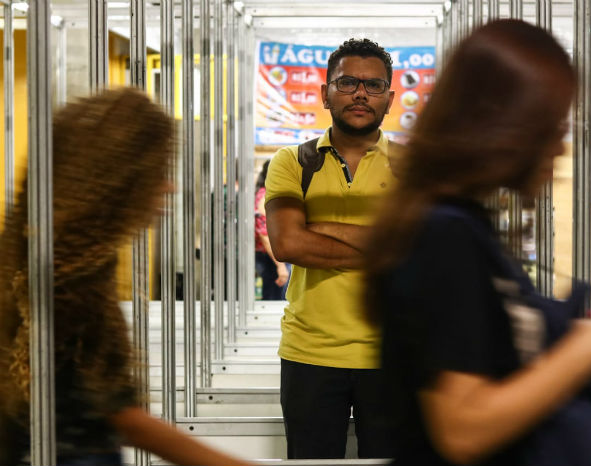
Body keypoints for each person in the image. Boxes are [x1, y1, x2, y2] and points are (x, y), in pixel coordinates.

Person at [364, 20, 591, 466]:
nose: (560, 148)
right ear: (506, 125)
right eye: (552, 126)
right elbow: (464, 428)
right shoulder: (444, 234)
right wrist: (584, 350)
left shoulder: (461, 224)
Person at [0, 88, 252, 466]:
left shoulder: (38, 254)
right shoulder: (70, 277)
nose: (168, 186)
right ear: (119, 180)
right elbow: (123, 415)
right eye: (156, 172)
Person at [265, 38, 397, 459]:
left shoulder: (414, 167)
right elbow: (287, 243)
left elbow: (420, 250)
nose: (361, 93)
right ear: (325, 94)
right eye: (347, 83)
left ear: (389, 98)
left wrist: (319, 227)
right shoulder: (292, 162)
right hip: (310, 354)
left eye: (374, 85)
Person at [254, 161, 290, 300]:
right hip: (272, 257)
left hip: (273, 255)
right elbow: (265, 235)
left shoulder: (268, 193)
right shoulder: (265, 197)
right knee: (275, 300)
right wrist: (280, 266)